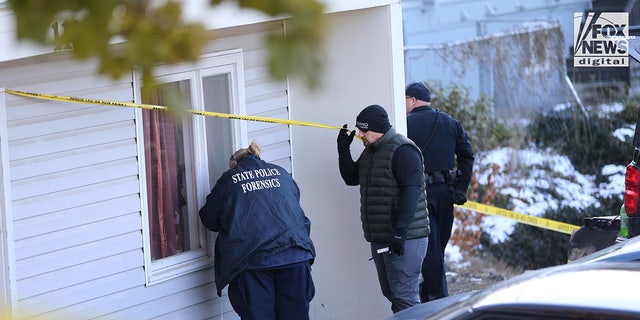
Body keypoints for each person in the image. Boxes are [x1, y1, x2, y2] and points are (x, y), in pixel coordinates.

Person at [199, 141, 316, 320]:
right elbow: (293, 201)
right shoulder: (281, 173)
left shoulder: (230, 178)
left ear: (234, 163)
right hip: (296, 253)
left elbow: (208, 218)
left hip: (253, 261)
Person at [336, 104, 430, 313]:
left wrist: (400, 232)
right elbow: (351, 178)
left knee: (404, 296)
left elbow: (412, 192)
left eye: (364, 130)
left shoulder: (403, 150)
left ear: (378, 128)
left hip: (406, 237)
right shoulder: (371, 151)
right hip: (381, 237)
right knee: (392, 293)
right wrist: (343, 150)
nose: (360, 135)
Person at [404, 82, 475, 303]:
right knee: (437, 250)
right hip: (446, 194)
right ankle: (433, 296)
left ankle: (437, 302)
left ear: (413, 100)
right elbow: (467, 155)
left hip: (419, 195)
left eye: (405, 99)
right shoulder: (450, 122)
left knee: (432, 252)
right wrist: (460, 187)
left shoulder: (404, 125)